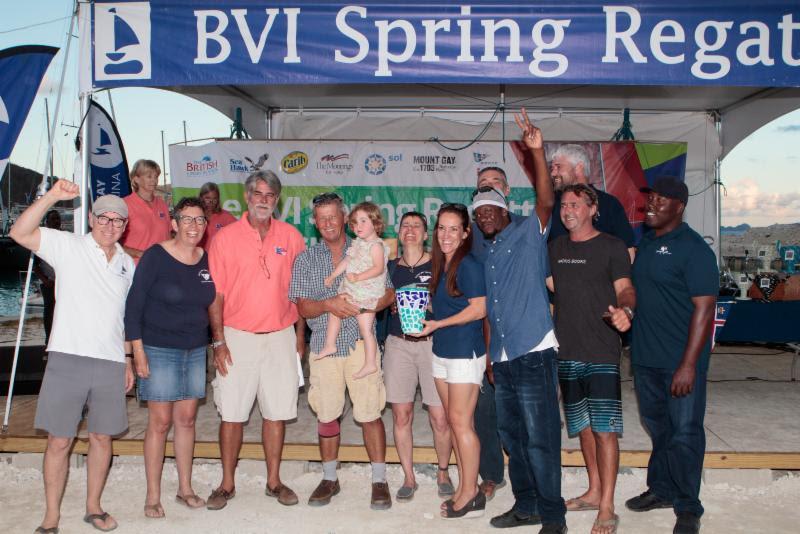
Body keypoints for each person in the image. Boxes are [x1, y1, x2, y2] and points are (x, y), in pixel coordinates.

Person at [10, 180, 135, 533]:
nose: (110, 225)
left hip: (110, 362)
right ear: (92, 219)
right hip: (68, 358)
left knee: (102, 438)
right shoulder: (67, 245)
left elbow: (123, 318)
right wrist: (51, 197)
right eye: (103, 218)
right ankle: (51, 516)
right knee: (59, 440)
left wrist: (126, 359)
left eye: (118, 220)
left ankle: (93, 507)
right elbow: (19, 232)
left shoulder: (128, 266)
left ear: (126, 226)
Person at [473, 109, 567, 534]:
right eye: (479, 213)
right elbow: (491, 309)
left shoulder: (531, 232)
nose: (485, 216)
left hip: (533, 352)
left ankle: (553, 517)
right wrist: (493, 357)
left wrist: (537, 152)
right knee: (513, 439)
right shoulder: (486, 253)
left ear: (506, 208)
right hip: (504, 359)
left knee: (542, 441)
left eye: (491, 210)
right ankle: (525, 505)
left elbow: (547, 199)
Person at [205, 170, 306, 510]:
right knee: (231, 413)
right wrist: (218, 341)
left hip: (281, 336)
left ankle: (274, 481)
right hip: (236, 336)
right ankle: (227, 484)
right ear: (247, 197)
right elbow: (215, 295)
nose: (264, 199)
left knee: (276, 412)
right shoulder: (224, 238)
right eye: (258, 193)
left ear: (277, 200)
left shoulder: (291, 236)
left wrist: (300, 336)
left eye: (270, 194)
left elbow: (301, 292)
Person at [625, 177, 718, 534]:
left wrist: (689, 365)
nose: (650, 204)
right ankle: (661, 489)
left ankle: (688, 506)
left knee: (685, 433)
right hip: (646, 359)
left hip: (680, 364)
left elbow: (704, 311)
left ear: (679, 206)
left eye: (660, 199)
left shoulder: (694, 249)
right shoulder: (648, 243)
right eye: (650, 197)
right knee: (659, 429)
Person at [289, 192, 394, 510]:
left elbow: (388, 291)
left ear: (345, 217)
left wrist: (371, 304)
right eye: (321, 218)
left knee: (371, 413)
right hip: (325, 346)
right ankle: (330, 477)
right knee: (327, 415)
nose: (327, 223)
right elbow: (304, 308)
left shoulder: (367, 245)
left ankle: (379, 480)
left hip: (362, 343)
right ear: (314, 222)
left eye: (333, 216)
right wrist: (329, 304)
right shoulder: (306, 259)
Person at [547, 184, 636, 534]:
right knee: (582, 428)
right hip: (567, 351)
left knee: (604, 431)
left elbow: (625, 288)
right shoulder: (555, 248)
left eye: (575, 204)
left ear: (592, 207)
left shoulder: (612, 246)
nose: (567, 210)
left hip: (601, 351)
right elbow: (552, 287)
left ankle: (608, 506)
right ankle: (594, 490)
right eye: (563, 205)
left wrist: (626, 310)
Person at [124, 197, 217, 518]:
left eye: (200, 220)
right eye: (187, 219)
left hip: (195, 350)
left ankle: (184, 488)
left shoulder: (208, 258)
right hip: (158, 348)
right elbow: (133, 306)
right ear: (174, 223)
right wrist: (136, 352)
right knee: (160, 423)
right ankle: (152, 496)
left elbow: (217, 302)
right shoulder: (155, 256)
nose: (194, 226)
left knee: (187, 421)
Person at [412, 203, 487, 519]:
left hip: (463, 354)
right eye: (441, 227)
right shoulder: (443, 264)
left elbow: (479, 309)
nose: (446, 234)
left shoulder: (468, 264)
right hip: (441, 351)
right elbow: (444, 305)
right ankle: (465, 487)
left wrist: (438, 325)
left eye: (453, 228)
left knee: (461, 424)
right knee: (457, 425)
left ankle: (471, 493)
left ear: (465, 232)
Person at [383, 211, 454, 502]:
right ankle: (409, 477)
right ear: (399, 234)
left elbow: (451, 303)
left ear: (426, 235)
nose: (410, 230)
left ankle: (443, 471)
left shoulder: (439, 265)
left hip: (431, 344)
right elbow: (377, 301)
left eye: (417, 226)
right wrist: (389, 306)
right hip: (398, 344)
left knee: (439, 416)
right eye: (405, 226)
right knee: (402, 414)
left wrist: (428, 308)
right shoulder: (388, 268)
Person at [469, 166, 511, 502]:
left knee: (520, 410)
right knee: (484, 409)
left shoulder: (524, 230)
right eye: (483, 186)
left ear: (507, 192)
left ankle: (528, 473)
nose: (488, 189)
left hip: (519, 332)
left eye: (495, 184)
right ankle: (493, 475)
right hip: (479, 331)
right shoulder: (469, 237)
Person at [319, 201, 389, 380]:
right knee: (336, 310)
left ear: (376, 223)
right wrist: (333, 276)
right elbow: (346, 262)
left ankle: (370, 363)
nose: (359, 226)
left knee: (366, 330)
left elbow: (379, 268)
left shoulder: (376, 246)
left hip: (367, 292)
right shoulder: (357, 243)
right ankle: (330, 344)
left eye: (364, 221)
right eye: (355, 222)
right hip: (353, 289)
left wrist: (358, 277)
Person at [547, 144, 636, 260]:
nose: (553, 173)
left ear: (578, 168)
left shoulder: (608, 204)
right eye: (552, 168)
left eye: (558, 167)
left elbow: (628, 251)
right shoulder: (549, 204)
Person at [121, 159, 171, 263]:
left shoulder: (162, 204)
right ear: (136, 179)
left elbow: (169, 236)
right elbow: (114, 244)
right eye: (149, 176)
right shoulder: (124, 205)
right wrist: (141, 254)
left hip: (163, 267)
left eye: (156, 177)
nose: (154, 180)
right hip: (136, 269)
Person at [32, 209, 61, 346]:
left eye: (58, 219)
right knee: (49, 312)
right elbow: (34, 265)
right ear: (47, 222)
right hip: (48, 283)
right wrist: (45, 280)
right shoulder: (41, 239)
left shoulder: (64, 237)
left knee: (62, 312)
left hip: (63, 283)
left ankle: (61, 341)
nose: (56, 221)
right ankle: (48, 341)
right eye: (53, 219)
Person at [198, 181, 237, 250]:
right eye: (207, 198)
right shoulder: (195, 215)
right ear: (201, 198)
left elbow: (240, 231)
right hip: (198, 258)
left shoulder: (225, 216)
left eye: (214, 198)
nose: (211, 202)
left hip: (218, 258)